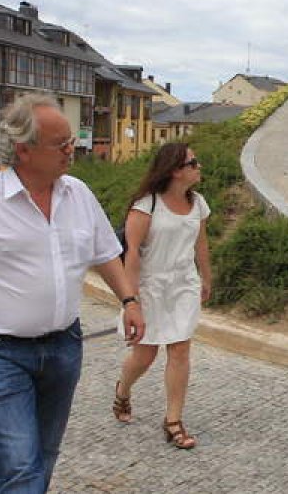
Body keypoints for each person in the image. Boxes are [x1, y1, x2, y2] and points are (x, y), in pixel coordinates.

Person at [0, 94, 145, 493]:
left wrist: (129, 300)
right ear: (24, 149)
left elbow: (105, 253)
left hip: (64, 348)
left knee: (42, 457)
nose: (73, 151)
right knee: (19, 463)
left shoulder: (79, 194)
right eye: (62, 144)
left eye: (72, 141)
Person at [113, 142, 212, 450]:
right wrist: (132, 301)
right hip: (150, 288)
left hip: (183, 285)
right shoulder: (146, 206)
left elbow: (201, 245)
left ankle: (173, 421)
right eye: (193, 163)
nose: (199, 167)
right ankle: (123, 391)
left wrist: (206, 278)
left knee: (180, 351)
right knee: (145, 355)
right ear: (174, 171)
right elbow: (132, 257)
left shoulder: (198, 204)